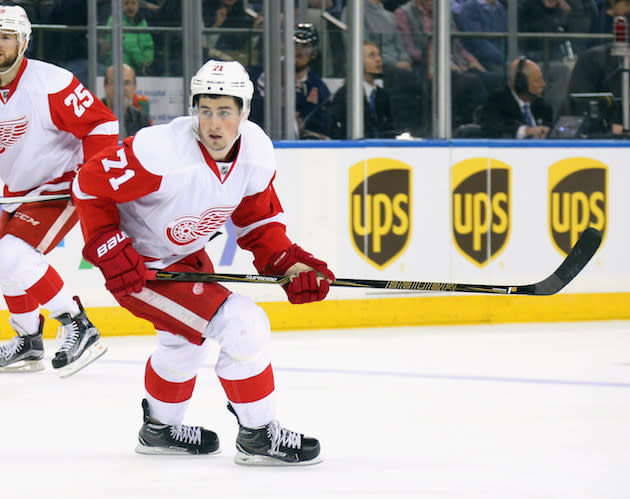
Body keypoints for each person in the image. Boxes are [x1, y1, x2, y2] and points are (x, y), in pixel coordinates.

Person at [71, 59, 335, 463]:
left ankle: (159, 430)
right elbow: (88, 185)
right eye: (205, 109)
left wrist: (291, 266)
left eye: (225, 112)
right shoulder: (159, 151)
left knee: (183, 343)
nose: (213, 123)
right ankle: (259, 434)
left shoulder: (258, 153)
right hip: (141, 267)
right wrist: (107, 244)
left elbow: (260, 226)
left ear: (245, 111)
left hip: (185, 255)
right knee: (243, 324)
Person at [0, 6, 118, 375]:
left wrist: (90, 179)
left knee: (11, 255)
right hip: (13, 190)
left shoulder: (51, 83)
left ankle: (78, 324)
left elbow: (102, 125)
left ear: (23, 42)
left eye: (4, 37)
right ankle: (28, 338)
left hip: (60, 186)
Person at [249, 23, 334, 139]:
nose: (298, 51)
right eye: (295, 44)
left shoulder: (318, 88)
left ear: (314, 53)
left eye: (305, 46)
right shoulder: (259, 76)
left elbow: (326, 128)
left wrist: (306, 130)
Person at [332, 41, 395, 138]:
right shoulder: (345, 95)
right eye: (372, 56)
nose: (378, 59)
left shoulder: (383, 95)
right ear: (357, 62)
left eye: (379, 55)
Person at [479, 56, 553, 138]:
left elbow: (551, 126)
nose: (543, 84)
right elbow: (492, 131)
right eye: (537, 81)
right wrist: (526, 131)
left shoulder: (542, 105)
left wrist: (548, 131)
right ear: (521, 84)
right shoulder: (496, 101)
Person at [103, 0, 155, 76]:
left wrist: (147, 60)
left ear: (138, 6)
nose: (130, 6)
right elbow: (126, 45)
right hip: (120, 68)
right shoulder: (114, 20)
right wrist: (140, 62)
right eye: (126, 3)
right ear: (120, 6)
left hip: (142, 69)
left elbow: (148, 46)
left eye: (133, 3)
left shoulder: (143, 22)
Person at [103, 64, 151, 137]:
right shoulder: (94, 117)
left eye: (127, 83)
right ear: (105, 86)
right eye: (116, 83)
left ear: (135, 87)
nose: (122, 88)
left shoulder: (141, 119)